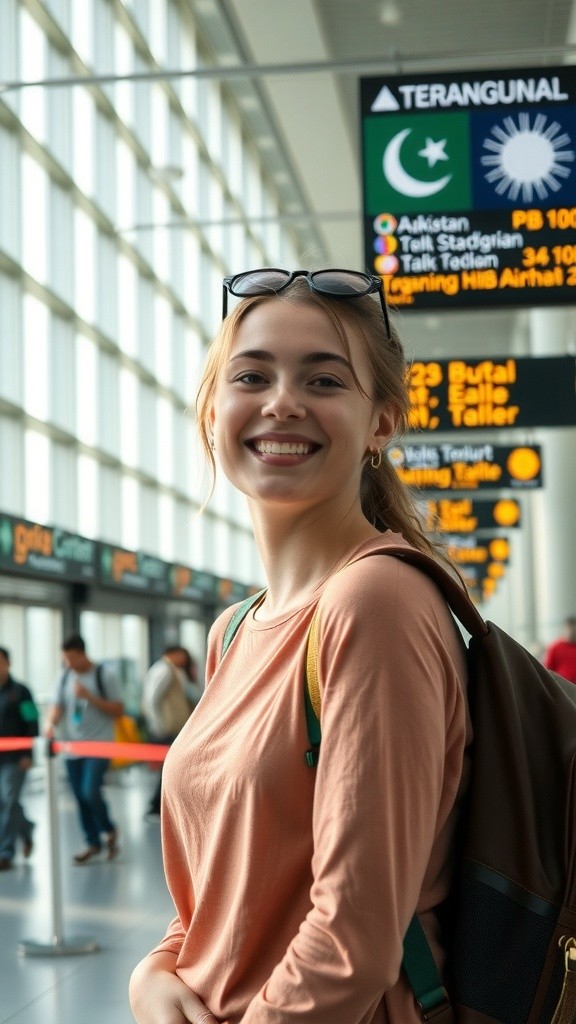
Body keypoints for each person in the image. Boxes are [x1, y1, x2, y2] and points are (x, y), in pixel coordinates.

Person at [129, 268, 471, 1024]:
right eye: (252, 375)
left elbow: (357, 942)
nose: (283, 400)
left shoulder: (374, 601)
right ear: (214, 408)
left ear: (381, 422)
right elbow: (223, 894)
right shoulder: (232, 630)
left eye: (324, 379)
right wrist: (156, 972)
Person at [44, 634, 124, 864]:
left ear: (83, 653)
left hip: (99, 744)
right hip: (72, 747)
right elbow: (57, 706)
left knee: (90, 791)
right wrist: (50, 724)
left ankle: (108, 828)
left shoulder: (104, 675)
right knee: (79, 797)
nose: (69, 662)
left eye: (72, 657)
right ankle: (92, 842)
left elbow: (119, 709)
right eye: (65, 658)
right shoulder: (64, 676)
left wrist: (90, 696)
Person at [141, 646, 197, 816]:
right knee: (169, 767)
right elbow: (151, 700)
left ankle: (159, 804)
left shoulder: (169, 670)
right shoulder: (164, 671)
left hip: (172, 728)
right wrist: (158, 726)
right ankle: (156, 805)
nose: (184, 660)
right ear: (173, 654)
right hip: (167, 728)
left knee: (168, 767)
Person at [0, 647, 38, 870]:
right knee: (5, 803)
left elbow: (32, 722)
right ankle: (26, 829)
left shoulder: (21, 691)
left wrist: (28, 753)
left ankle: (5, 852)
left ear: (8, 664)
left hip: (15, 759)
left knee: (10, 801)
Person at [544, 615, 576, 683]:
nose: (572, 633)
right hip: (561, 685)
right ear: (565, 630)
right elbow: (548, 669)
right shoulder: (555, 647)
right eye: (570, 630)